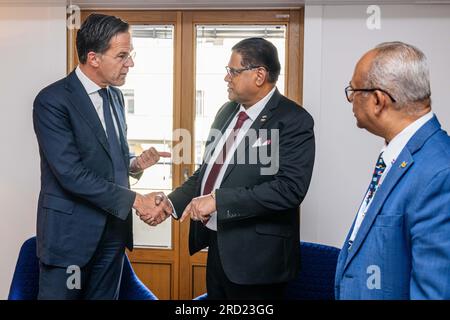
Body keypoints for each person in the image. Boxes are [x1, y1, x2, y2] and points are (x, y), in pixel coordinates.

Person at [140, 37, 315, 299]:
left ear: (259, 75)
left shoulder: (293, 120)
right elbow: (207, 173)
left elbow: (289, 189)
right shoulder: (226, 111)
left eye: (233, 71)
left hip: (259, 261)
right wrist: (171, 203)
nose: (226, 78)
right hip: (219, 248)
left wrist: (218, 201)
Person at [33, 13, 171, 299]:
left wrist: (135, 164)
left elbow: (110, 157)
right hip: (70, 237)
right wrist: (137, 200)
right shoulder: (52, 101)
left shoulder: (116, 97)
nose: (130, 63)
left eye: (130, 54)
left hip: (113, 234)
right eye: (122, 55)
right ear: (94, 58)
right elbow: (71, 174)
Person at [335, 41, 450, 299]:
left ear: (378, 100)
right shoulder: (401, 154)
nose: (350, 99)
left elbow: (435, 292)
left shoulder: (440, 172)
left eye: (354, 90)